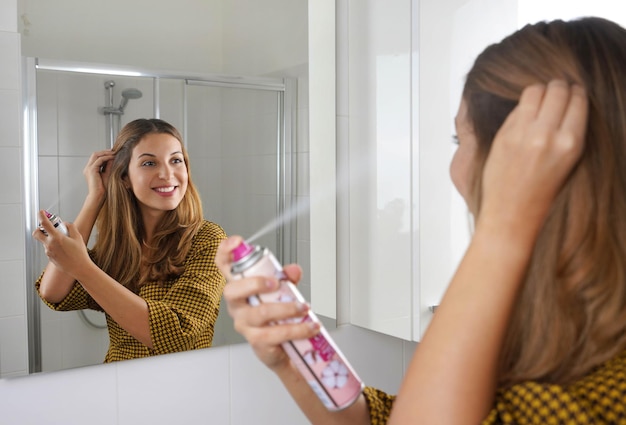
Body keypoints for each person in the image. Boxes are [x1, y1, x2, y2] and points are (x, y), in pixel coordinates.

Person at [215, 16, 626, 424]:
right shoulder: (543, 308)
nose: (454, 168)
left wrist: (503, 224)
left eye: (460, 140)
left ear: (527, 161)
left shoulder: (605, 392)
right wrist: (296, 359)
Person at [34, 118, 227, 362]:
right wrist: (96, 196)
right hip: (117, 385)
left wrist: (81, 266)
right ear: (124, 177)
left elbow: (179, 336)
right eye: (149, 163)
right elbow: (54, 293)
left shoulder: (207, 240)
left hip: (183, 388)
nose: (167, 174)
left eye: (176, 160)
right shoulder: (119, 246)